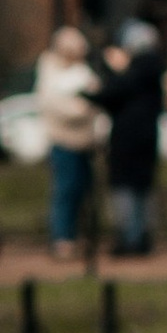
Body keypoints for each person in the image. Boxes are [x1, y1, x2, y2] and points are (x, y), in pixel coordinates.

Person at [32, 21, 101, 261]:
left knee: (82, 190)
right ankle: (62, 236)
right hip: (62, 140)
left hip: (85, 141)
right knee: (65, 190)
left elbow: (96, 95)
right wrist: (83, 108)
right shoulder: (49, 69)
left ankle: (77, 233)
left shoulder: (82, 70)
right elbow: (56, 105)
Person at [94, 19, 164, 256]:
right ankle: (142, 236)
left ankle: (129, 238)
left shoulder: (135, 71)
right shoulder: (154, 70)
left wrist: (114, 69)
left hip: (127, 140)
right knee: (143, 188)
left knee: (125, 187)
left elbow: (110, 95)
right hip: (147, 139)